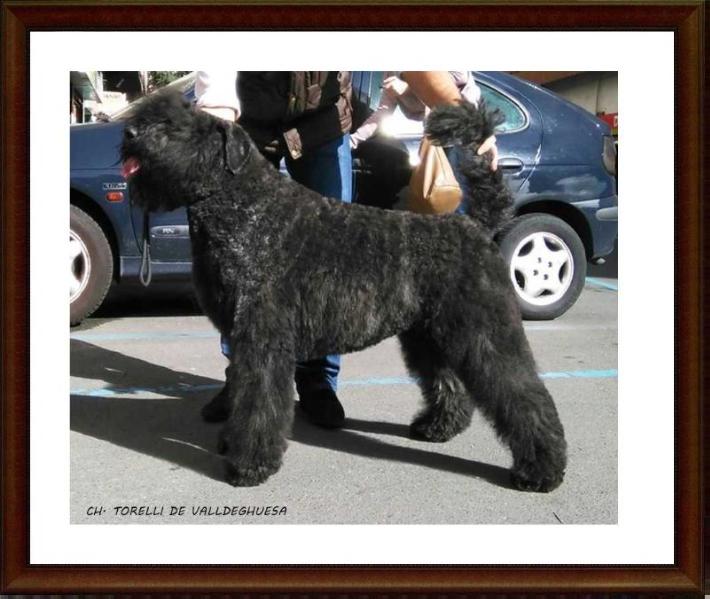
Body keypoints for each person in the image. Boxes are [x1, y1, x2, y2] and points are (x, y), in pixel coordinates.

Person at [195, 70, 353, 429]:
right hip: (246, 120)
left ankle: (318, 381)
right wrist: (217, 106)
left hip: (322, 122)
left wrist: (456, 99)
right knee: (237, 264)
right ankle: (242, 377)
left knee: (326, 261)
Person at [351, 71, 498, 214]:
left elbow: (456, 97)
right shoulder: (391, 73)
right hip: (438, 137)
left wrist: (408, 90)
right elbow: (382, 113)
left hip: (462, 141)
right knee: (431, 215)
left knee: (456, 214)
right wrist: (352, 140)